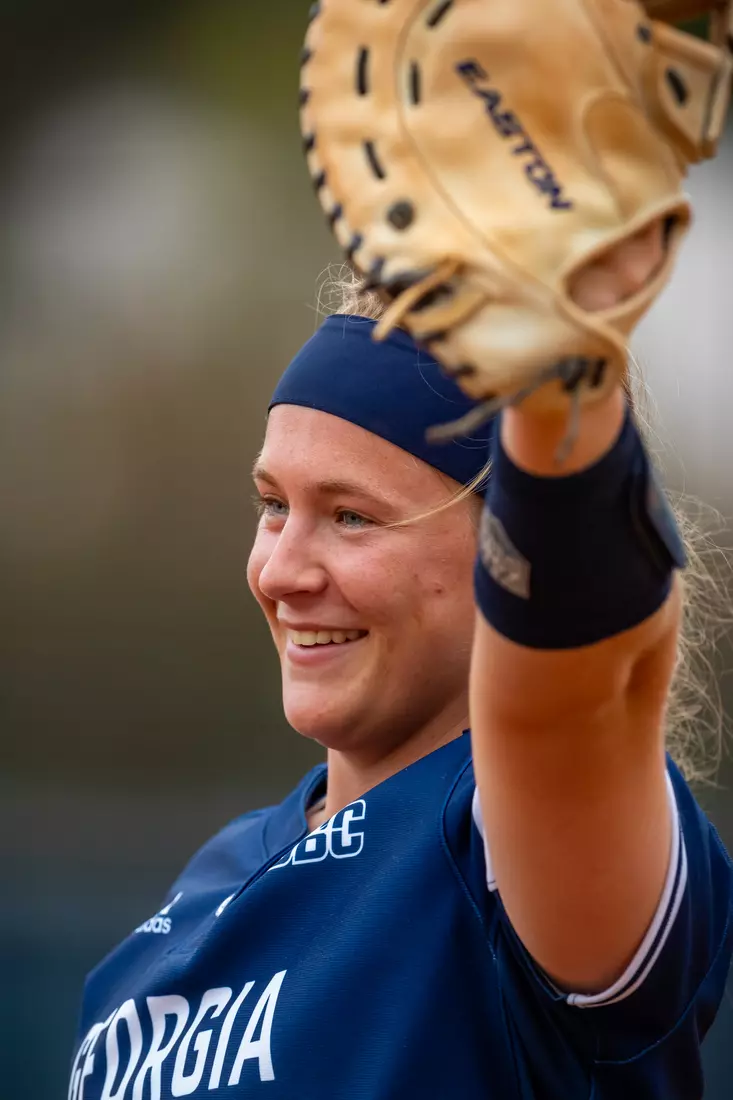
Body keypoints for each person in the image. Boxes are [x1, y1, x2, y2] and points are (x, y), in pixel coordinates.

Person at [68, 225, 733, 1100]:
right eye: (273, 505)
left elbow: (578, 682)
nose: (279, 571)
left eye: (351, 516)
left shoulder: (517, 848)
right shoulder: (198, 897)